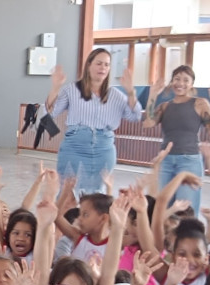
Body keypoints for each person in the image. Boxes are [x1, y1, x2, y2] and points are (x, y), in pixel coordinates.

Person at [45, 48, 141, 195]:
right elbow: (51, 112)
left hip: (104, 149)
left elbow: (135, 116)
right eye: (99, 63)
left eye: (107, 64)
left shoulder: (116, 95)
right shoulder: (71, 89)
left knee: (97, 196)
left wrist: (131, 93)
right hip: (75, 146)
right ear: (89, 65)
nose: (103, 68)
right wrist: (55, 87)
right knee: (68, 193)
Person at [144, 65, 210, 215]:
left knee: (186, 210)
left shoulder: (200, 103)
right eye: (177, 79)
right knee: (162, 208)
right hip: (165, 161)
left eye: (186, 80)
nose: (180, 83)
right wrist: (152, 95)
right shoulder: (164, 107)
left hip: (189, 161)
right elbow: (148, 123)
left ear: (192, 84)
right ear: (172, 81)